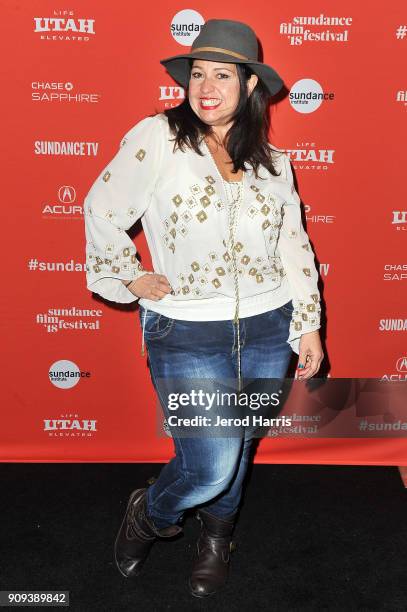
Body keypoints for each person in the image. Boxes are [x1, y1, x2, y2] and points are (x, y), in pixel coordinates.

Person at [83, 19, 324, 598]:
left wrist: (308, 323)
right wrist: (129, 277)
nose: (207, 87)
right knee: (211, 462)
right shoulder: (158, 137)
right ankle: (150, 514)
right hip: (188, 328)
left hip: (271, 324)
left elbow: (293, 242)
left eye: (223, 74)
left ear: (249, 87)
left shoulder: (272, 160)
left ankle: (218, 537)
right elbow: (100, 207)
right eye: (198, 74)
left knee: (241, 443)